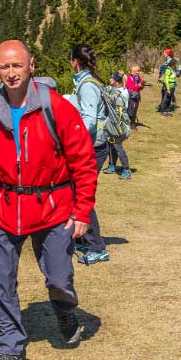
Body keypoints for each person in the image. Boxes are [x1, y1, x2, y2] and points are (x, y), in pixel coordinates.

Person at [0, 40, 99, 360]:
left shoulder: (55, 106)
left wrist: (82, 211)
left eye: (17, 66)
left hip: (53, 207)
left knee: (58, 277)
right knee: (3, 280)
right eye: (4, 67)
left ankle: (65, 309)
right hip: (6, 206)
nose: (11, 73)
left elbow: (83, 160)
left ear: (31, 66)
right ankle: (11, 347)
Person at [70, 44, 112, 265]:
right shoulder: (92, 81)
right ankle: (84, 237)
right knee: (76, 191)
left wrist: (70, 136)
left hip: (92, 147)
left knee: (81, 194)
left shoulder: (87, 85)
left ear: (75, 61)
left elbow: (88, 119)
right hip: (96, 145)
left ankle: (97, 247)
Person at [103, 72, 132, 180]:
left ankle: (126, 169)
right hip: (114, 122)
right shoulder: (122, 90)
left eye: (112, 78)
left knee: (118, 146)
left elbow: (109, 98)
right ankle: (112, 165)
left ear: (116, 80)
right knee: (111, 143)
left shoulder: (119, 93)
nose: (110, 79)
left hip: (119, 124)